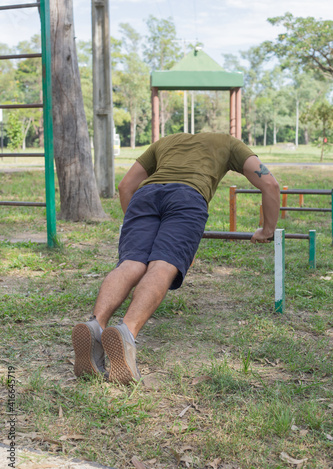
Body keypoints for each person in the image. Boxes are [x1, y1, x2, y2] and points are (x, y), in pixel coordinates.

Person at [72, 132, 280, 385]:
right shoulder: (228, 142)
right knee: (163, 266)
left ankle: (96, 326)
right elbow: (269, 184)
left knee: (132, 263)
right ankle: (125, 331)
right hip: (187, 198)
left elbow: (125, 186)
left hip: (145, 197)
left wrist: (139, 224)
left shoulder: (165, 142)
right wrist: (267, 230)